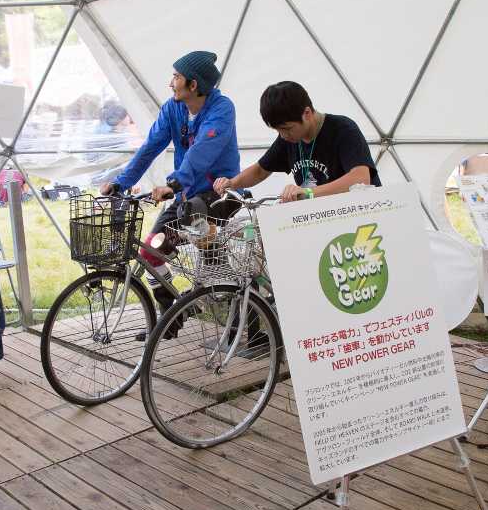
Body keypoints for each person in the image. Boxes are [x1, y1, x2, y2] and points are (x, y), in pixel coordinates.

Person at [100, 50, 240, 316]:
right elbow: (150, 147)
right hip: (187, 198)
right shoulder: (173, 108)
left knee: (210, 255)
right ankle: (171, 317)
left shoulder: (221, 109)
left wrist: (174, 184)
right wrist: (121, 183)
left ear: (193, 84)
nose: (171, 82)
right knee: (151, 251)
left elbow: (201, 151)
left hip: (220, 195)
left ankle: (244, 308)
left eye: (176, 77)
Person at [214, 80, 380, 202]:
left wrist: (308, 193)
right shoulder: (290, 139)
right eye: (278, 130)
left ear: (307, 113)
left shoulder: (343, 129)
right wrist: (232, 183)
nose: (283, 135)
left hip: (360, 214)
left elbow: (360, 178)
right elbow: (260, 170)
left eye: (287, 128)